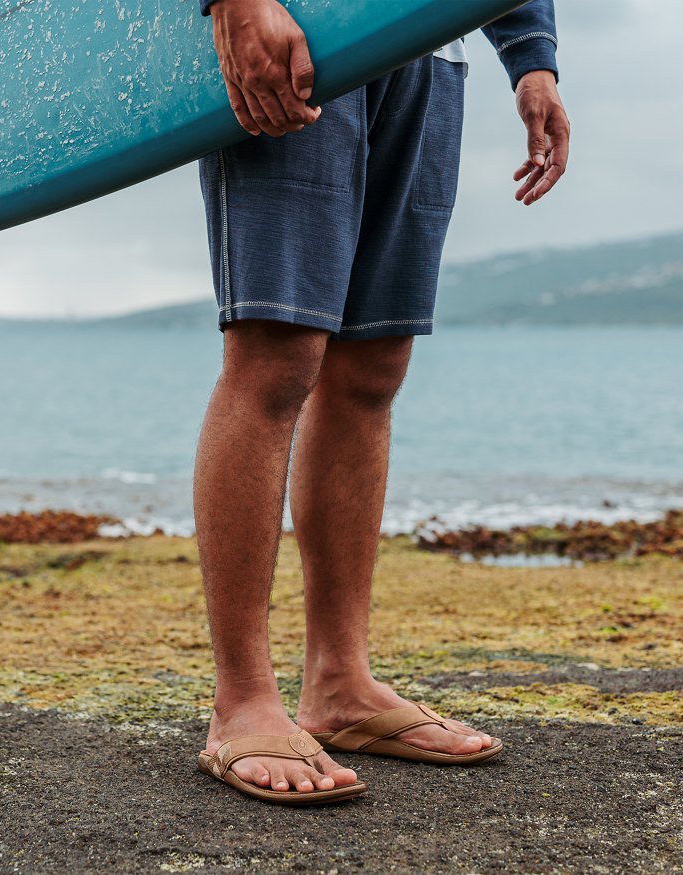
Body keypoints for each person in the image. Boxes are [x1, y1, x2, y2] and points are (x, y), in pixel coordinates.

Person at [193, 0, 570, 804]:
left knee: (373, 363)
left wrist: (531, 54)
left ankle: (339, 682)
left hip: (430, 44)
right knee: (277, 353)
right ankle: (242, 700)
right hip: (301, 25)